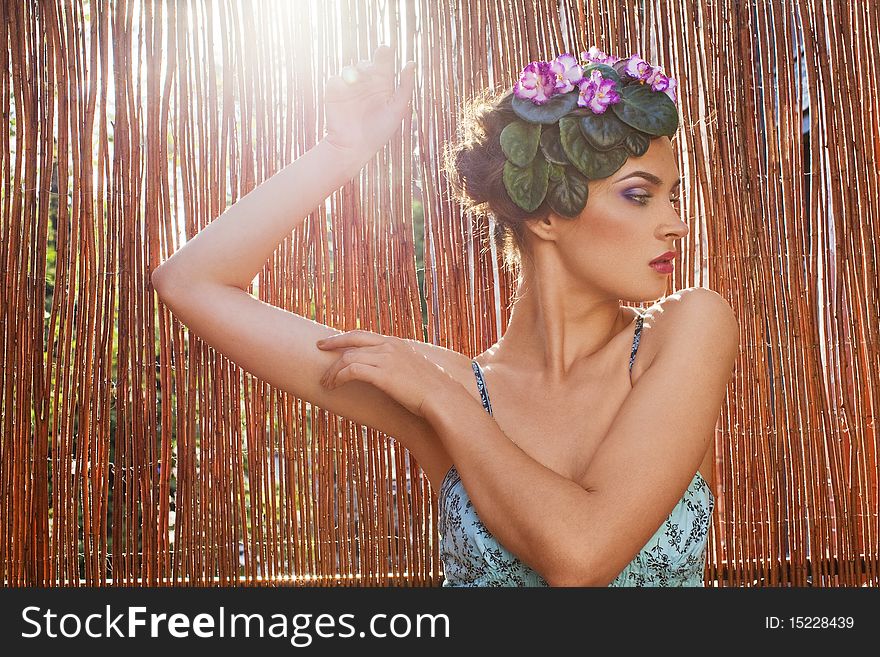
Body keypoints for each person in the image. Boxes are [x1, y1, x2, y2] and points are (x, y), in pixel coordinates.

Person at [151, 44, 739, 587]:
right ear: (545, 216)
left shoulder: (686, 331)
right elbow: (190, 283)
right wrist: (341, 151)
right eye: (639, 195)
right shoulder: (436, 380)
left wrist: (443, 404)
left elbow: (580, 557)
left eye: (673, 196)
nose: (676, 224)